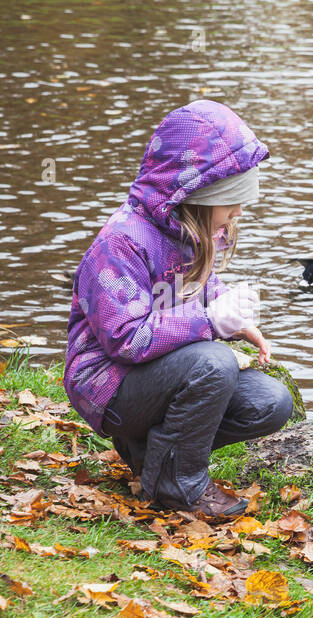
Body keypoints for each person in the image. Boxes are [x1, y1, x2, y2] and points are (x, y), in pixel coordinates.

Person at [64, 100, 292, 517]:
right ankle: (177, 486)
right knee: (213, 363)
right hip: (108, 384)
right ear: (196, 196)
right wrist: (208, 322)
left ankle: (153, 455)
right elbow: (127, 339)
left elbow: (196, 285)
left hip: (160, 372)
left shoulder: (190, 229)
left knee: (271, 402)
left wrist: (232, 318)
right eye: (230, 202)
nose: (238, 212)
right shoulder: (120, 244)